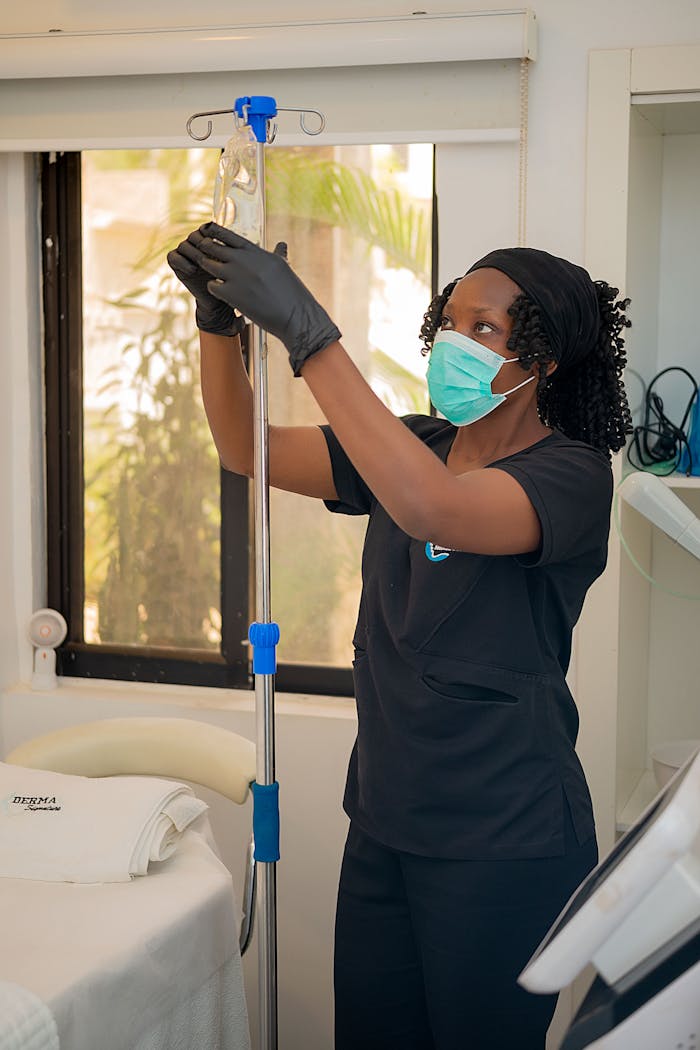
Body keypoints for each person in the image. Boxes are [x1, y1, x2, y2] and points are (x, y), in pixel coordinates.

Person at [167, 223, 632, 1050]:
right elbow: (245, 448)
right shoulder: (412, 446)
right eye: (450, 320)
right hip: (386, 824)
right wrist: (217, 329)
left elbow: (433, 510)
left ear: (545, 358)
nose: (457, 339)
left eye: (485, 328)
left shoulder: (572, 476)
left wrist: (312, 336)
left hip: (504, 842)